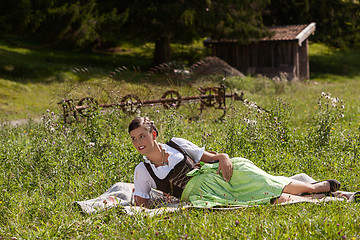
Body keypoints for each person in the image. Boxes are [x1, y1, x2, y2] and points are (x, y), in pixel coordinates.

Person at [128, 117, 341, 208]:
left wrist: (225, 158)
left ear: (154, 134)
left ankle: (314, 187)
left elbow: (212, 158)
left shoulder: (176, 144)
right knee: (258, 198)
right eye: (134, 138)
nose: (139, 142)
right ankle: (317, 199)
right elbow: (141, 205)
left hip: (215, 173)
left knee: (261, 179)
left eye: (142, 135)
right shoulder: (143, 170)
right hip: (202, 195)